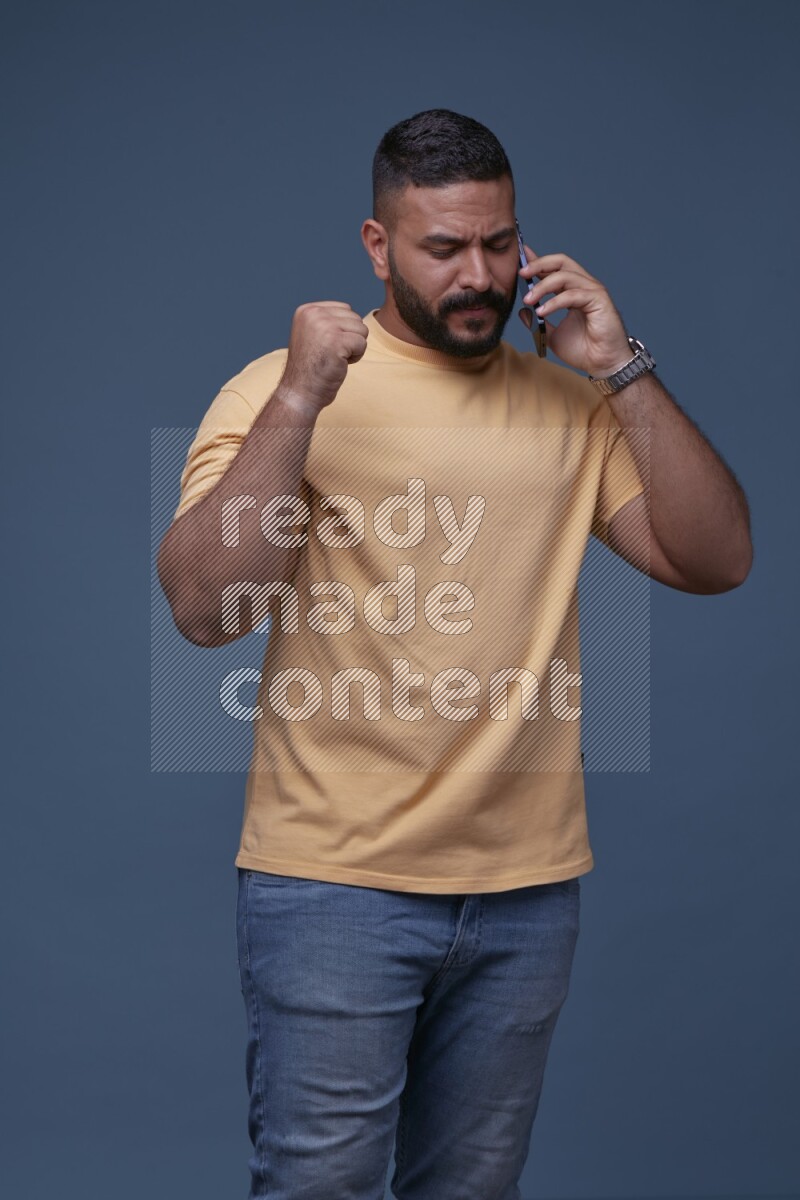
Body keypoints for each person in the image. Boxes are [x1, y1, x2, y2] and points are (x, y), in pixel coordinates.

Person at [157, 109, 752, 1200]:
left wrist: (619, 365)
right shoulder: (276, 392)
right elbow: (208, 610)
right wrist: (299, 396)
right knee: (317, 1186)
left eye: (497, 243)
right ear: (378, 248)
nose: (477, 276)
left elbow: (713, 560)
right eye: (443, 249)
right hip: (331, 884)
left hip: (525, 891)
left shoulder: (570, 405)